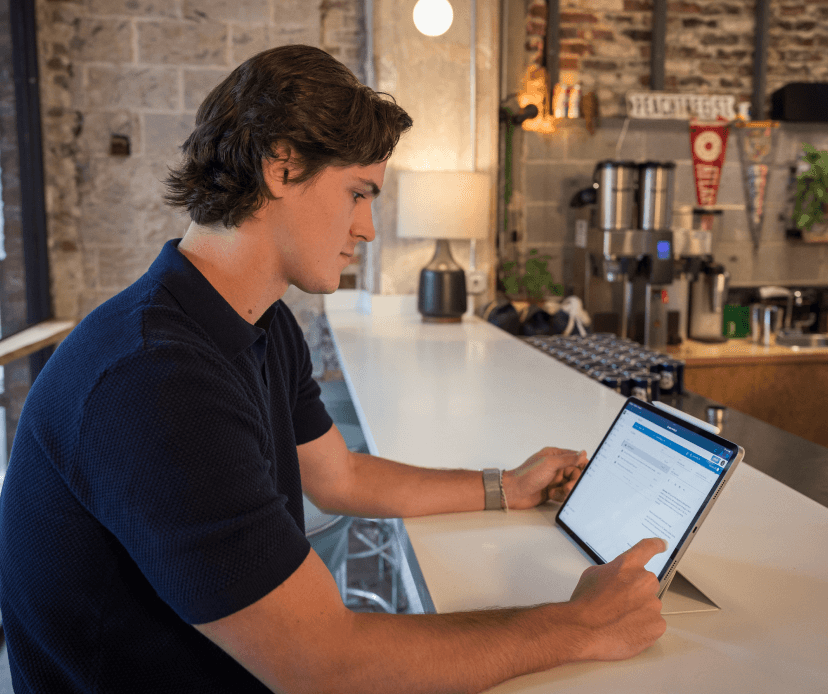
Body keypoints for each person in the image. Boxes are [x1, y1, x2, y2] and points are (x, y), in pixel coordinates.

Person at [0, 45, 666, 693]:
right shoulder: (155, 379)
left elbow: (340, 477)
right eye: (358, 193)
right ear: (283, 168)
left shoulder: (258, 323)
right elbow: (324, 666)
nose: (368, 228)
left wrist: (507, 486)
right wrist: (578, 625)